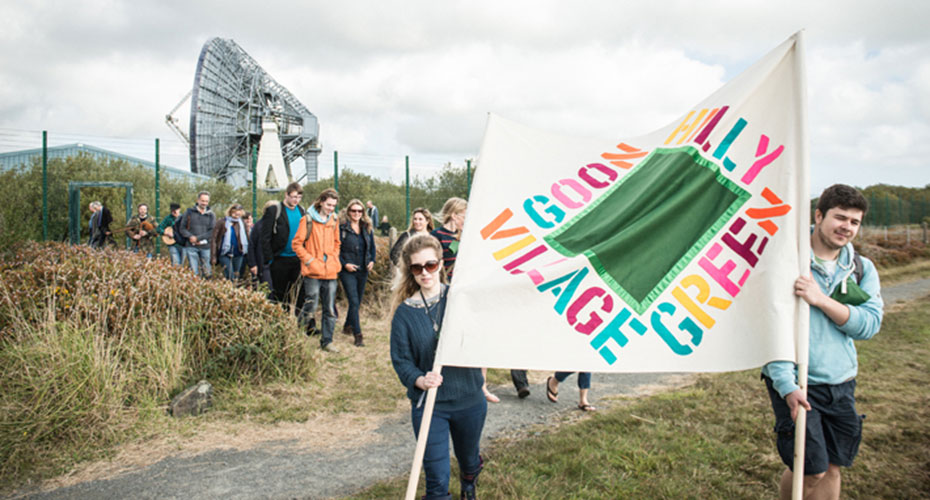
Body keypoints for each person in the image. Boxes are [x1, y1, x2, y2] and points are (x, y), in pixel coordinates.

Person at [761, 184, 883, 500]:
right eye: (840, 217)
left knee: (832, 466)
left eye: (854, 222)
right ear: (819, 215)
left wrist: (821, 300)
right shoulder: (788, 263)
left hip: (842, 383)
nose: (847, 227)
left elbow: (869, 326)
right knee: (810, 468)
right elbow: (774, 328)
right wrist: (786, 386)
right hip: (800, 382)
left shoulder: (861, 268)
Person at [389, 234, 486, 500]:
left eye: (430, 265)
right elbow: (401, 360)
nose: (425, 273)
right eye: (417, 268)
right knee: (437, 479)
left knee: (468, 459)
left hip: (469, 398)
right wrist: (420, 380)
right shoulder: (404, 314)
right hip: (430, 404)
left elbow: (481, 338)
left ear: (441, 264)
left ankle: (469, 481)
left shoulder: (459, 299)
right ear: (410, 271)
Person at [293, 188, 342, 351]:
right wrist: (310, 260)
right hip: (313, 271)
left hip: (330, 271)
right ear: (321, 202)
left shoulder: (334, 219)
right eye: (328, 205)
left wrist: (334, 257)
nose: (331, 208)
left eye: (333, 205)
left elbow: (337, 242)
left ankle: (327, 341)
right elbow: (297, 244)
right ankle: (297, 336)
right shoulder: (307, 220)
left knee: (329, 308)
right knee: (311, 305)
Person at [261, 182, 306, 311]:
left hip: (297, 258)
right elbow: (265, 237)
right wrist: (269, 259)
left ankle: (301, 323)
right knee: (281, 294)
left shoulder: (301, 211)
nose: (295, 200)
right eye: (293, 197)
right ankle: (283, 321)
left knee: (300, 293)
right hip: (280, 259)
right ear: (286, 195)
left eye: (298, 197)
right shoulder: (274, 210)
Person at [338, 199, 375, 347]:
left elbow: (372, 247)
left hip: (363, 269)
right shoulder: (342, 228)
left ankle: (347, 325)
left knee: (357, 301)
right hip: (347, 270)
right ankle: (357, 334)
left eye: (360, 211)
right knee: (353, 301)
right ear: (348, 212)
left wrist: (372, 260)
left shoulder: (366, 227)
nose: (357, 213)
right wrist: (344, 264)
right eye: (354, 211)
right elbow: (336, 249)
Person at [178, 191, 216, 278]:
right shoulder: (189, 213)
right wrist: (190, 237)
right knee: (193, 272)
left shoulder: (211, 215)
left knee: (207, 272)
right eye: (202, 201)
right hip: (191, 246)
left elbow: (212, 231)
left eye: (206, 201)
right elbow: (182, 228)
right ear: (198, 200)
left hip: (205, 246)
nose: (204, 203)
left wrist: (198, 238)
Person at [431, 197, 467, 279]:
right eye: (464, 217)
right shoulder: (436, 235)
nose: (467, 221)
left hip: (460, 285)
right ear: (454, 215)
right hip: (444, 284)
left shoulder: (463, 236)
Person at [211, 204, 248, 281]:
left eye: (239, 213)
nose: (236, 215)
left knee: (236, 275)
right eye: (234, 213)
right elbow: (214, 239)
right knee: (230, 275)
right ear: (230, 212)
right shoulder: (222, 222)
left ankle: (235, 291)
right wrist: (213, 256)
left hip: (238, 253)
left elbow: (247, 238)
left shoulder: (242, 223)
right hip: (224, 253)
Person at [250, 200, 277, 291]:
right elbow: (251, 245)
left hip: (278, 263)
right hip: (263, 264)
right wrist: (253, 264)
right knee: (268, 288)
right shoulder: (259, 225)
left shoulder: (281, 224)